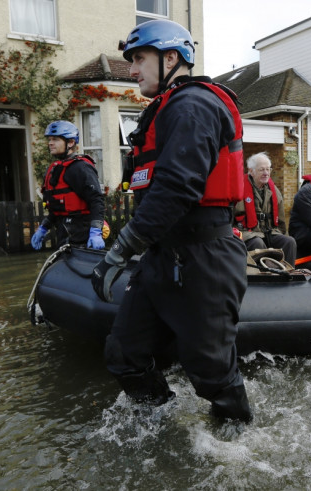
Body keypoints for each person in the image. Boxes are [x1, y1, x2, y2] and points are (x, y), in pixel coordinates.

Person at [91, 19, 252, 422]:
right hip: (164, 254)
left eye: (139, 59)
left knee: (211, 373)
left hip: (204, 256)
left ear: (171, 58)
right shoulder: (166, 109)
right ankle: (165, 425)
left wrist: (120, 250)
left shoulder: (192, 104)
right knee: (123, 355)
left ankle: (236, 443)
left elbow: (178, 187)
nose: (132, 71)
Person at [31, 121, 105, 251]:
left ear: (70, 143)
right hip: (64, 235)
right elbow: (58, 208)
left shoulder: (80, 168)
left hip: (83, 237)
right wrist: (44, 227)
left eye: (55, 139)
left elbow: (96, 200)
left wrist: (96, 232)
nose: (50, 143)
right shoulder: (56, 169)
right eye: (49, 139)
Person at [234, 153, 297, 266]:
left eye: (268, 169)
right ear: (251, 171)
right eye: (262, 170)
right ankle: (262, 277)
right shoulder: (238, 189)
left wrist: (282, 234)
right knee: (258, 242)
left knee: (289, 241)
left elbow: (281, 221)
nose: (266, 173)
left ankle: (288, 273)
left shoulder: (274, 191)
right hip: (248, 233)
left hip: (269, 232)